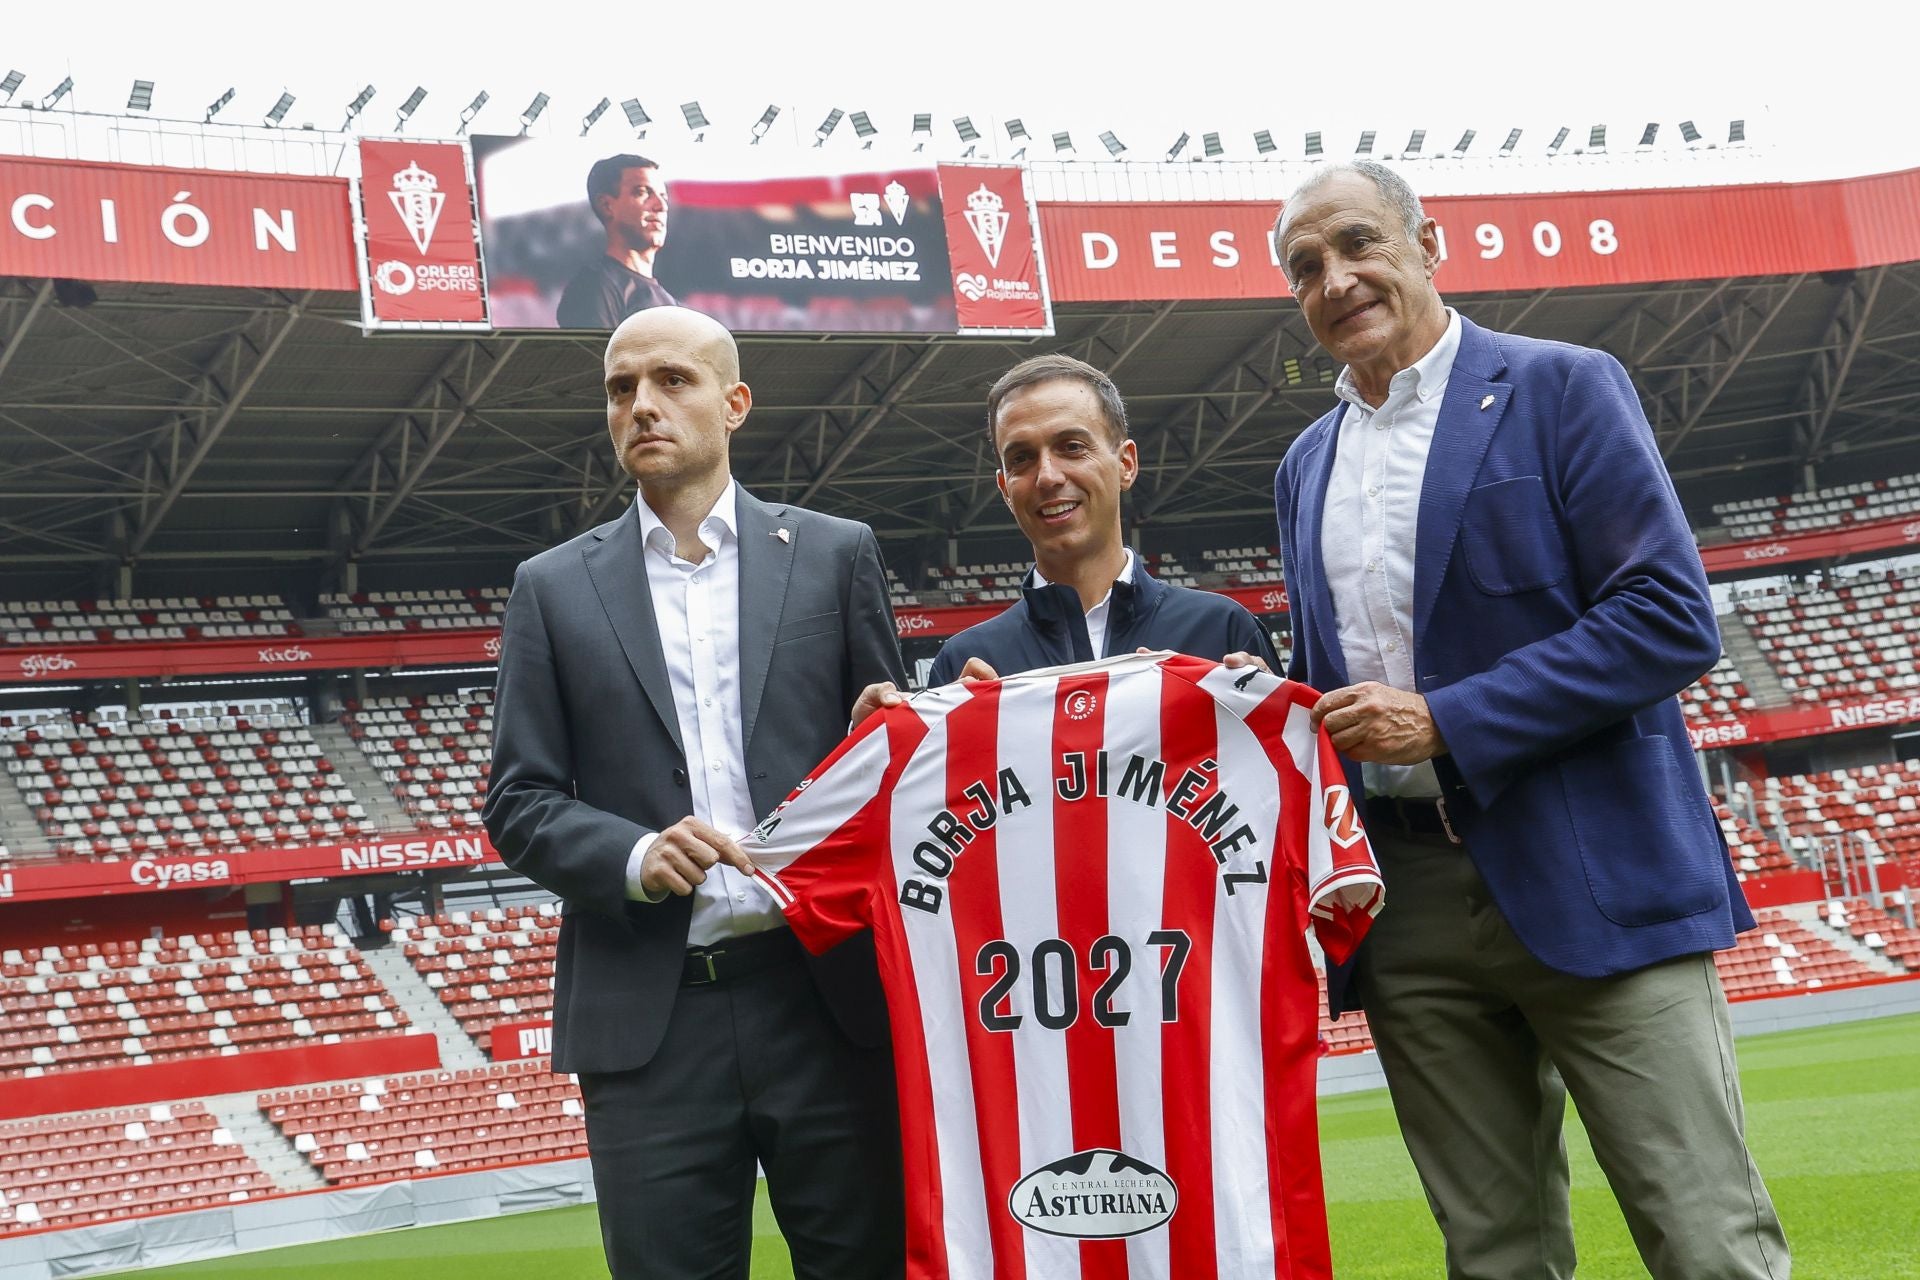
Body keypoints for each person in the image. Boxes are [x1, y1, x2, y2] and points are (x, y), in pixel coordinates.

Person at [1270, 160, 1789, 1279]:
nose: (1336, 278)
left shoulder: (1563, 385)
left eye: (1358, 243)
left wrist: (1445, 719)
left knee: (1706, 1235)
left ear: (1426, 242)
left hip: (1595, 866)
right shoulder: (1304, 465)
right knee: (1493, 1254)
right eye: (1305, 267)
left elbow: (1667, 617)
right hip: (1406, 907)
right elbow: (1323, 685)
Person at [483, 307, 907, 1279]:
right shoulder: (551, 587)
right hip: (650, 1022)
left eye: (672, 380)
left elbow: (893, 763)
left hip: (828, 1002)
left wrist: (899, 729)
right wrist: (632, 856)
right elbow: (520, 798)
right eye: (621, 387)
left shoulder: (837, 553)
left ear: (734, 402)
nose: (642, 404)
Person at [860, 354, 1276, 711]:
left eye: (1072, 447)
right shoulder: (965, 666)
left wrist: (1268, 708)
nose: (1047, 476)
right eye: (1021, 458)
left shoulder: (1220, 631)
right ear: (1005, 489)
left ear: (1126, 465)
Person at [556, 153, 679, 329]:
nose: (661, 206)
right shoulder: (593, 288)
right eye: (643, 192)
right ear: (607, 205)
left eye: (663, 196)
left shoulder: (671, 303)